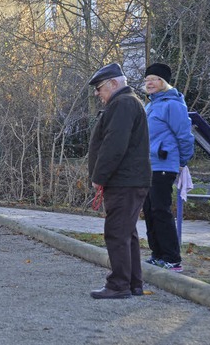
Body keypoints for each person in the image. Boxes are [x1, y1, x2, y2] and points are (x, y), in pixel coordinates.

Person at [87, 63, 151, 299]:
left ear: (114, 83)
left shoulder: (123, 103)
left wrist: (99, 177)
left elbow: (114, 145)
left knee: (116, 232)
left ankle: (118, 285)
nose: (97, 93)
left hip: (124, 181)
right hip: (129, 180)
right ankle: (133, 283)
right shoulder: (127, 102)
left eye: (100, 88)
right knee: (126, 233)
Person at [142, 63, 195, 272]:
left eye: (153, 79)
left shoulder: (173, 104)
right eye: (146, 81)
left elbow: (185, 136)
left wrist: (182, 162)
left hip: (165, 165)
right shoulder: (151, 105)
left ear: (163, 82)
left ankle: (173, 258)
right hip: (149, 166)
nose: (149, 83)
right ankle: (157, 254)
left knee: (160, 210)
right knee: (149, 209)